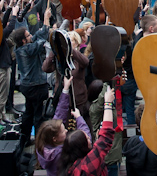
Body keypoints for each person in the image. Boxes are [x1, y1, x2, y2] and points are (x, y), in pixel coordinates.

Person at [12, 13, 52, 153]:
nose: (31, 36)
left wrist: (45, 21)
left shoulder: (20, 48)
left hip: (27, 86)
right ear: (23, 40)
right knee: (38, 115)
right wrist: (46, 21)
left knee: (28, 113)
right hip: (36, 86)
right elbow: (41, 39)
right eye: (28, 36)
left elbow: (37, 36)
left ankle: (25, 139)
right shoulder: (28, 49)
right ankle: (40, 144)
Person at [36, 77, 89, 176]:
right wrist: (79, 118)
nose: (66, 130)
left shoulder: (44, 147)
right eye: (62, 131)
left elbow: (59, 116)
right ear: (55, 139)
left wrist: (65, 89)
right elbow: (85, 137)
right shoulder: (64, 152)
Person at [57, 86, 116, 176]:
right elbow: (106, 136)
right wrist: (108, 104)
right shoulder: (88, 165)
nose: (89, 137)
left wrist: (78, 117)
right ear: (82, 146)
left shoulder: (68, 166)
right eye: (87, 138)